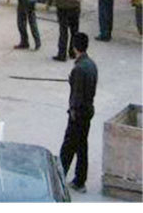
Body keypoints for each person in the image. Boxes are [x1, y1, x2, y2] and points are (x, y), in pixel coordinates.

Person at [59, 32, 98, 193]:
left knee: (68, 148)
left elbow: (77, 95)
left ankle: (59, 177)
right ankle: (80, 180)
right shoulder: (91, 65)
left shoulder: (79, 69)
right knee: (82, 147)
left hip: (78, 114)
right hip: (88, 111)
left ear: (75, 47)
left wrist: (73, 111)